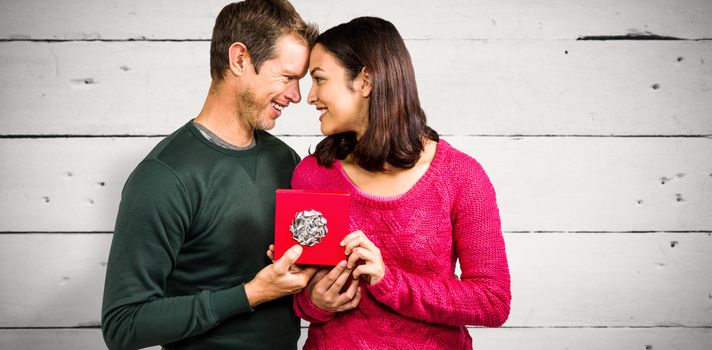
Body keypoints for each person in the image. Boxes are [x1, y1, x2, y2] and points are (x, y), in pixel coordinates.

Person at [101, 1, 318, 349]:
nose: (295, 95)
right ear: (239, 59)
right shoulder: (164, 177)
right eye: (287, 76)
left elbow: (297, 278)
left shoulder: (286, 161)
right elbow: (123, 324)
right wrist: (249, 295)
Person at [291, 17, 511, 349]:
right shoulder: (313, 174)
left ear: (365, 81)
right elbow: (299, 293)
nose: (310, 96)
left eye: (319, 79)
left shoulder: (461, 176)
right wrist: (314, 303)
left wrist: (387, 280)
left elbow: (492, 301)